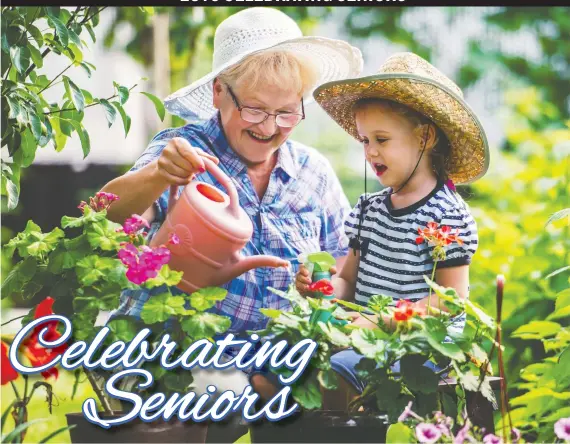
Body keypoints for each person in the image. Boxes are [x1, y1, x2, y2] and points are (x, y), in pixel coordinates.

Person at [100, 7, 363, 400]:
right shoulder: (184, 153)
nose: (269, 127)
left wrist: (324, 288)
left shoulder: (313, 173)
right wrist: (158, 175)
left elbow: (344, 271)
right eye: (254, 109)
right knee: (219, 392)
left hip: (277, 358)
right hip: (177, 352)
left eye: (287, 112)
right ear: (219, 91)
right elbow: (107, 214)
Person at [296, 52, 490, 403]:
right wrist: (324, 287)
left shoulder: (446, 216)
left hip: (423, 344)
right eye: (364, 140)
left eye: (381, 140)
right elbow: (350, 282)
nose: (370, 152)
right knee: (286, 364)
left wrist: (382, 321)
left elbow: (448, 303)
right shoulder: (369, 210)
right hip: (367, 336)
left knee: (332, 377)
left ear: (425, 138)